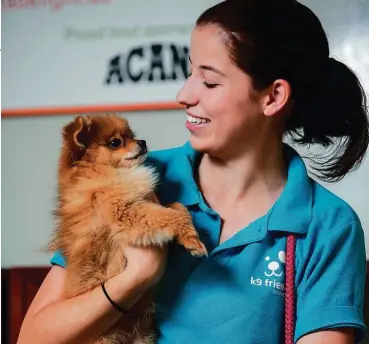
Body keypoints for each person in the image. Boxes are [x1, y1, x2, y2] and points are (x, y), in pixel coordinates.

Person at [18, 0, 369, 343]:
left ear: (273, 96)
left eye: (210, 82)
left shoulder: (328, 225)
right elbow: (33, 337)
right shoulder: (136, 178)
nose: (184, 94)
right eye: (189, 72)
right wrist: (137, 276)